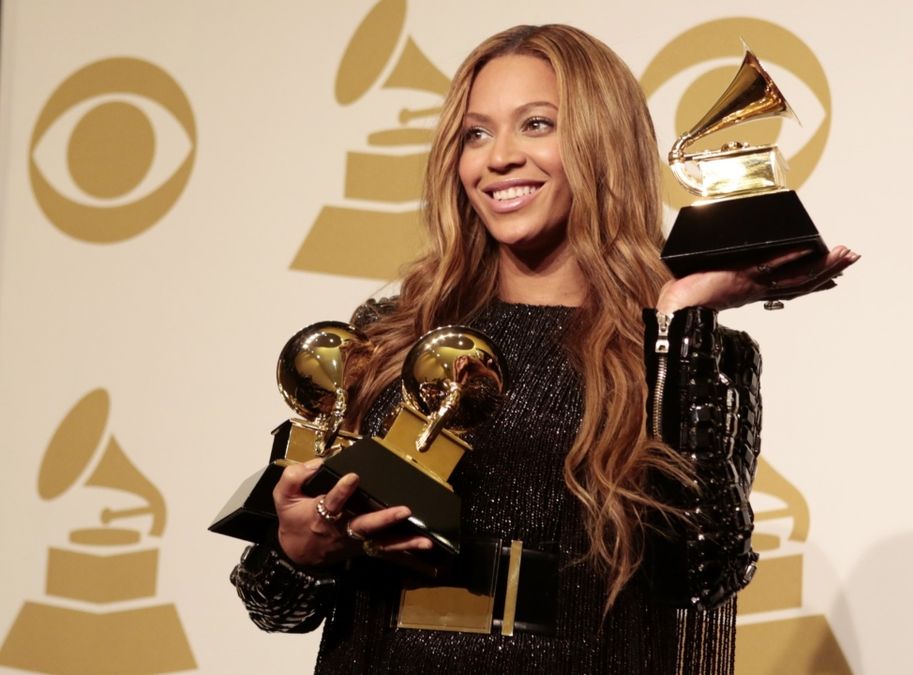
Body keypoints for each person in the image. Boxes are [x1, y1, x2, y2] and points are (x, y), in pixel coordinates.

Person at [231, 24, 858, 674]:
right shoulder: (392, 333)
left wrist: (680, 317)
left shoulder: (688, 351)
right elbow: (271, 603)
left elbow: (703, 573)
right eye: (476, 133)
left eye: (536, 125)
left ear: (602, 143)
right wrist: (298, 549)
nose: (497, 158)